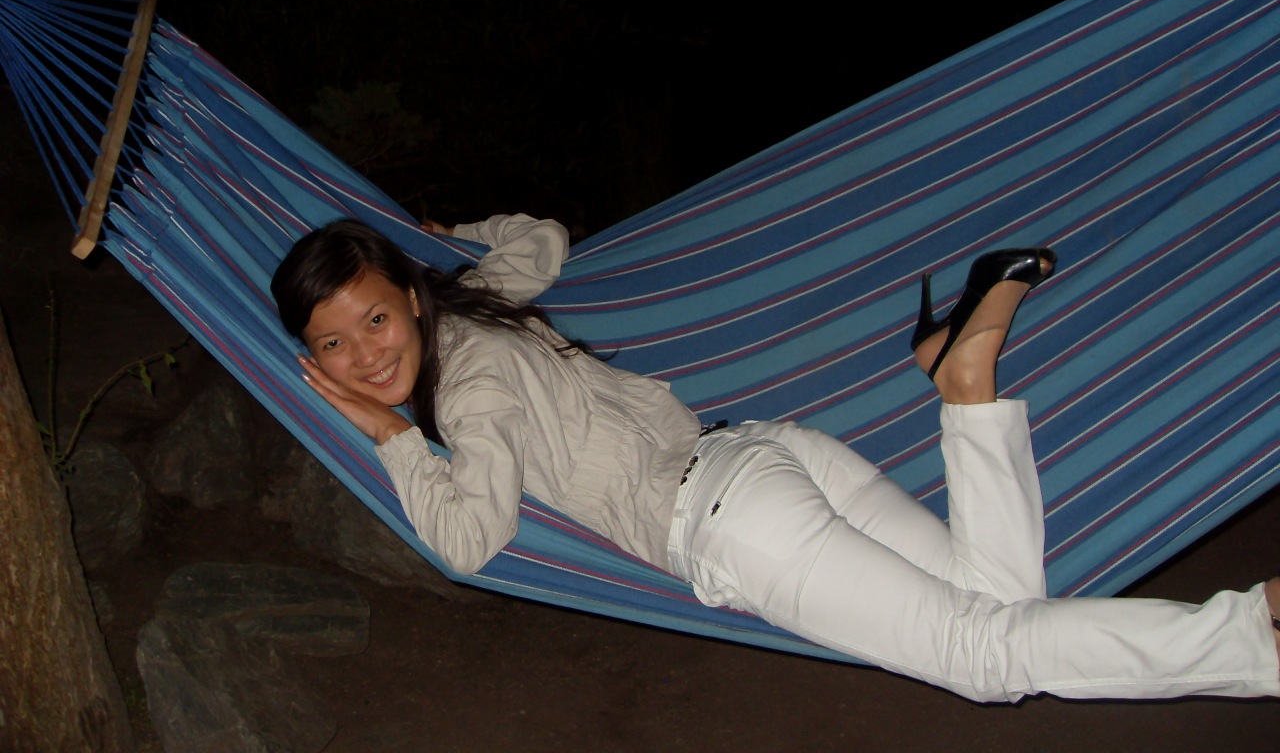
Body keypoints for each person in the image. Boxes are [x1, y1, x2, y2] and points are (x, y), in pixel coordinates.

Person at [271, 213, 1280, 703]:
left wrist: (394, 437)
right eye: (333, 345)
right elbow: (543, 241)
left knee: (989, 660)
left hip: (733, 523)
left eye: (375, 319)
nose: (365, 356)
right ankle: (964, 379)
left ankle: (1256, 634)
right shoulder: (478, 306)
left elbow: (469, 538)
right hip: (770, 455)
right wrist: (456, 235)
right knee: (1005, 604)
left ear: (409, 299)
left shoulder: (469, 390)